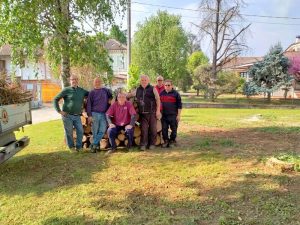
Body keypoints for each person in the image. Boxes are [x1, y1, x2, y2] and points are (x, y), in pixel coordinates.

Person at [53, 75, 89, 151]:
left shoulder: (81, 91)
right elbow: (55, 99)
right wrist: (59, 111)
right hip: (67, 116)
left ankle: (79, 147)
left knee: (80, 131)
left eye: (75, 79)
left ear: (78, 80)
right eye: (72, 79)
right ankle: (71, 147)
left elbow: (91, 94)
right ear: (70, 81)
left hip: (77, 116)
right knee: (69, 132)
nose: (74, 81)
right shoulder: (66, 90)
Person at [87, 77, 112, 153]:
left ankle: (93, 144)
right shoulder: (92, 92)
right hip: (94, 113)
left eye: (99, 81)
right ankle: (96, 147)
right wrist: (90, 115)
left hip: (104, 114)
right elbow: (89, 104)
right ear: (93, 83)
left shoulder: (105, 90)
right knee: (95, 131)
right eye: (96, 82)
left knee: (102, 130)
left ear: (101, 82)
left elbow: (112, 97)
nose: (97, 83)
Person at [136, 75, 161, 150]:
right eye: (142, 80)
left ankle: (152, 144)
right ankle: (143, 144)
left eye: (145, 80)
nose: (143, 81)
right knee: (144, 129)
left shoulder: (153, 88)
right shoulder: (138, 89)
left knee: (153, 129)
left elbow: (158, 99)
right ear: (140, 81)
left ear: (148, 81)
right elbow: (131, 95)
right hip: (142, 114)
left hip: (152, 112)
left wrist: (158, 110)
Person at [160, 79, 182, 148]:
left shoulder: (176, 94)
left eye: (168, 85)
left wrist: (178, 115)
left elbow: (179, 106)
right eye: (165, 85)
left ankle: (172, 141)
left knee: (174, 129)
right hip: (164, 115)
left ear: (172, 86)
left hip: (173, 115)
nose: (167, 86)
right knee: (164, 129)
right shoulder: (161, 93)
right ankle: (166, 141)